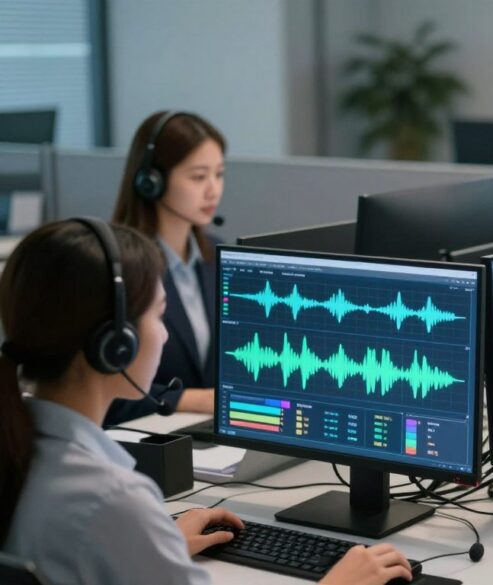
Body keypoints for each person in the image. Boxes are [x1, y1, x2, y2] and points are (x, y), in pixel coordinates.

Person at [0, 219, 413, 585]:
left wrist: (154, 547)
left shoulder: (21, 456)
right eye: (159, 315)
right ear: (116, 346)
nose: (163, 334)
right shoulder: (111, 501)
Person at [105, 111, 226, 426]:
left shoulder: (217, 255)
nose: (213, 190)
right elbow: (101, 392)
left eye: (219, 174)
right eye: (199, 177)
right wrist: (190, 399)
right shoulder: (118, 266)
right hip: (147, 442)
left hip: (210, 438)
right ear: (151, 182)